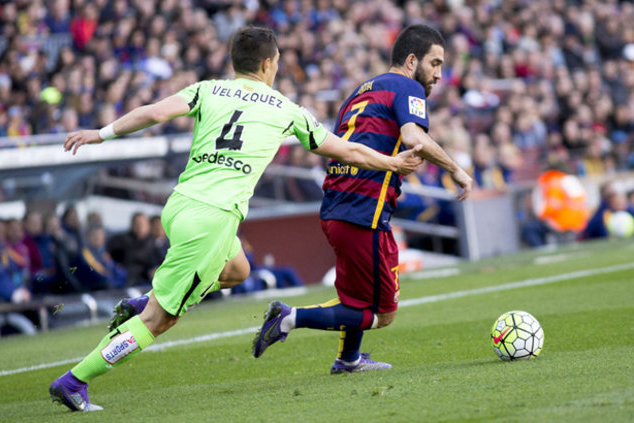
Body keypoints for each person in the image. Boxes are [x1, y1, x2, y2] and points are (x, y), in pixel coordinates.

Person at [49, 26, 424, 412]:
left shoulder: (208, 89)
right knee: (159, 320)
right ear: (267, 63)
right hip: (212, 220)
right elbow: (346, 150)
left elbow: (155, 112)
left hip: (180, 206)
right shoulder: (285, 109)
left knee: (237, 269)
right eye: (277, 62)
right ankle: (75, 380)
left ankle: (146, 299)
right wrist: (392, 163)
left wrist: (101, 133)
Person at [252, 24, 473, 374]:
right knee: (381, 314)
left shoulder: (360, 92)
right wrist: (456, 169)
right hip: (363, 211)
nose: (438, 74)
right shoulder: (407, 86)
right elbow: (413, 136)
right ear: (411, 60)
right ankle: (289, 317)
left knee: (354, 297)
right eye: (435, 63)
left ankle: (349, 359)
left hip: (338, 206)